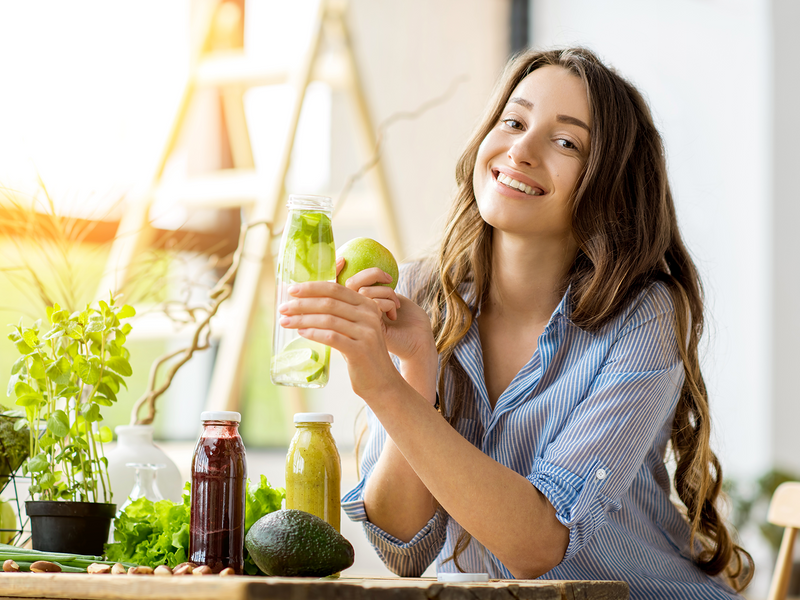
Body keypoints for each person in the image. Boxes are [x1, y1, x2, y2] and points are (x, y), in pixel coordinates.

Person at [276, 47, 753, 599]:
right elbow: (403, 548)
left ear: (609, 185)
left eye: (565, 141)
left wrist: (383, 387)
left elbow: (538, 546)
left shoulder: (643, 316)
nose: (521, 149)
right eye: (514, 121)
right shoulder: (417, 296)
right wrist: (412, 373)